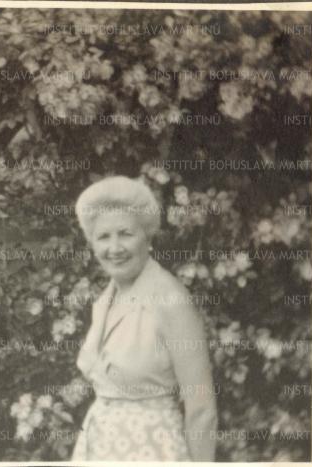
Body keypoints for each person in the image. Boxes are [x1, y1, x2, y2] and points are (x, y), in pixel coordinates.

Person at [72, 176, 217, 461]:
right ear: (93, 244)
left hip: (153, 449)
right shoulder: (105, 300)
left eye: (125, 233)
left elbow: (202, 409)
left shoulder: (170, 298)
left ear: (147, 237)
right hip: (99, 449)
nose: (115, 248)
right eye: (103, 237)